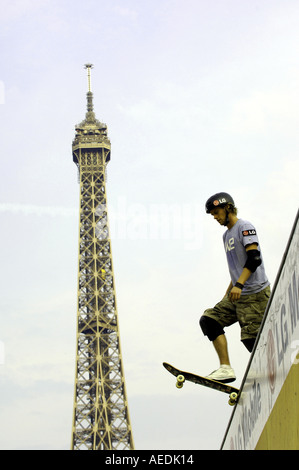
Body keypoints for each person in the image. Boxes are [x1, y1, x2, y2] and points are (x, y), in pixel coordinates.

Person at [199, 192, 270, 383]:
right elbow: (236, 267)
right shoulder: (226, 236)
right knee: (209, 320)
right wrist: (229, 291)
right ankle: (225, 368)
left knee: (251, 341)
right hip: (238, 293)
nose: (215, 217)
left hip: (254, 294)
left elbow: (254, 259)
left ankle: (271, 373)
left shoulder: (244, 227)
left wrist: (239, 285)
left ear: (227, 208)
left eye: (216, 212)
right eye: (212, 214)